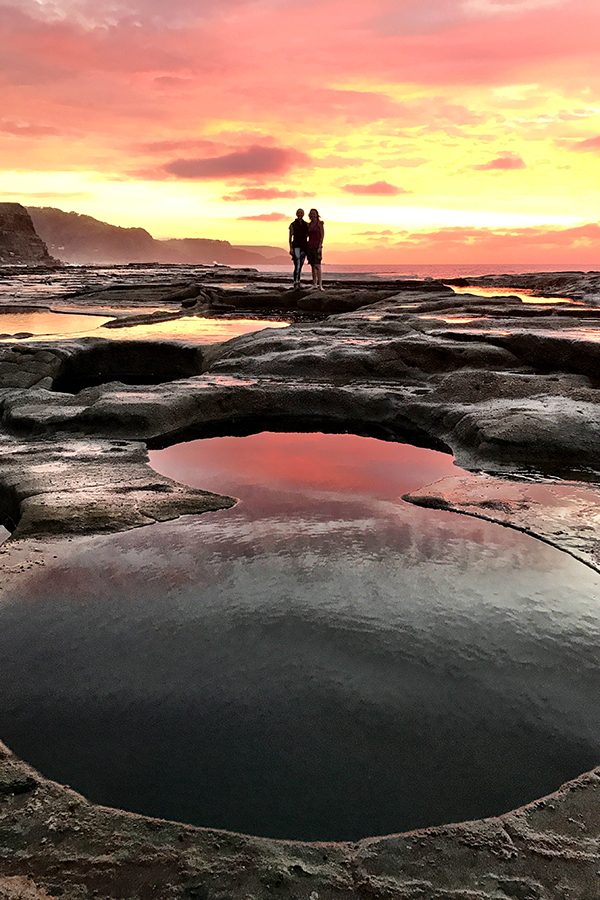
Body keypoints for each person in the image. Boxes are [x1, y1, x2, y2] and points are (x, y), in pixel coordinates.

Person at [288, 208, 309, 288]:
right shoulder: (292, 224)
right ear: (296, 214)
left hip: (304, 247)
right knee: (297, 264)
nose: (300, 214)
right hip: (296, 247)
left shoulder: (306, 224)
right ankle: (295, 281)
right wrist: (290, 248)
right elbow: (290, 238)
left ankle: (298, 281)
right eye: (298, 213)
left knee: (301, 264)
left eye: (301, 213)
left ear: (303, 214)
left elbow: (308, 235)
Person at [307, 208, 324, 291]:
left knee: (318, 265)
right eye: (311, 214)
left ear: (317, 214)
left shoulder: (320, 224)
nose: (313, 215)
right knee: (312, 266)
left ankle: (320, 285)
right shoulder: (309, 225)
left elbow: (322, 235)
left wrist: (320, 246)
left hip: (317, 246)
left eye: (314, 213)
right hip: (310, 246)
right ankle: (314, 284)